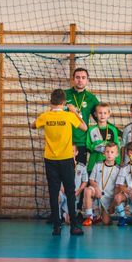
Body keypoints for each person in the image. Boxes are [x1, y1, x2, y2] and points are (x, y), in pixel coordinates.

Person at [32, 89, 87, 236]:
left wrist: (48, 114)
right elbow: (84, 127)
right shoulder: (69, 116)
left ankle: (56, 226)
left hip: (50, 160)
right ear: (64, 102)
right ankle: (74, 226)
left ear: (51, 102)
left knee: (53, 192)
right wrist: (74, 111)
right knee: (70, 192)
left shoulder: (45, 116)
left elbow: (32, 125)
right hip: (66, 159)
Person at [64, 68, 100, 166]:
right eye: (77, 77)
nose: (80, 80)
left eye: (83, 78)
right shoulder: (64, 95)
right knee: (64, 172)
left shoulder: (91, 98)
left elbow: (101, 118)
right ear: (73, 79)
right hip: (64, 141)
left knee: (79, 171)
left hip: (81, 142)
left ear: (87, 80)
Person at [82, 143, 120, 226]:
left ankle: (101, 215)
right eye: (107, 152)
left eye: (112, 152)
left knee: (106, 222)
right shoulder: (98, 164)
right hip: (96, 192)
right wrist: (96, 188)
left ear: (116, 154)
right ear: (104, 153)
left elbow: (117, 187)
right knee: (87, 190)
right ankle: (89, 217)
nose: (109, 154)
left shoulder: (118, 169)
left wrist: (113, 204)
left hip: (108, 197)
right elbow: (91, 179)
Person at [85, 103, 121, 173]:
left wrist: (118, 162)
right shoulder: (91, 130)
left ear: (108, 114)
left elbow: (117, 147)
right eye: (100, 113)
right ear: (95, 114)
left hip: (109, 165)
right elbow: (88, 146)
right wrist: (95, 147)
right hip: (94, 163)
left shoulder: (113, 129)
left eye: (105, 113)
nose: (102, 115)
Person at [59, 145, 88, 224]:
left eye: (72, 151)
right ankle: (58, 217)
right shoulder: (62, 165)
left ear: (76, 153)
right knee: (57, 196)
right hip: (64, 193)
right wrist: (64, 190)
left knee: (69, 221)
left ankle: (66, 214)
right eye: (68, 151)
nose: (70, 153)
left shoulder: (82, 167)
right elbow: (58, 181)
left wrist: (78, 191)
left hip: (75, 194)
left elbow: (85, 182)